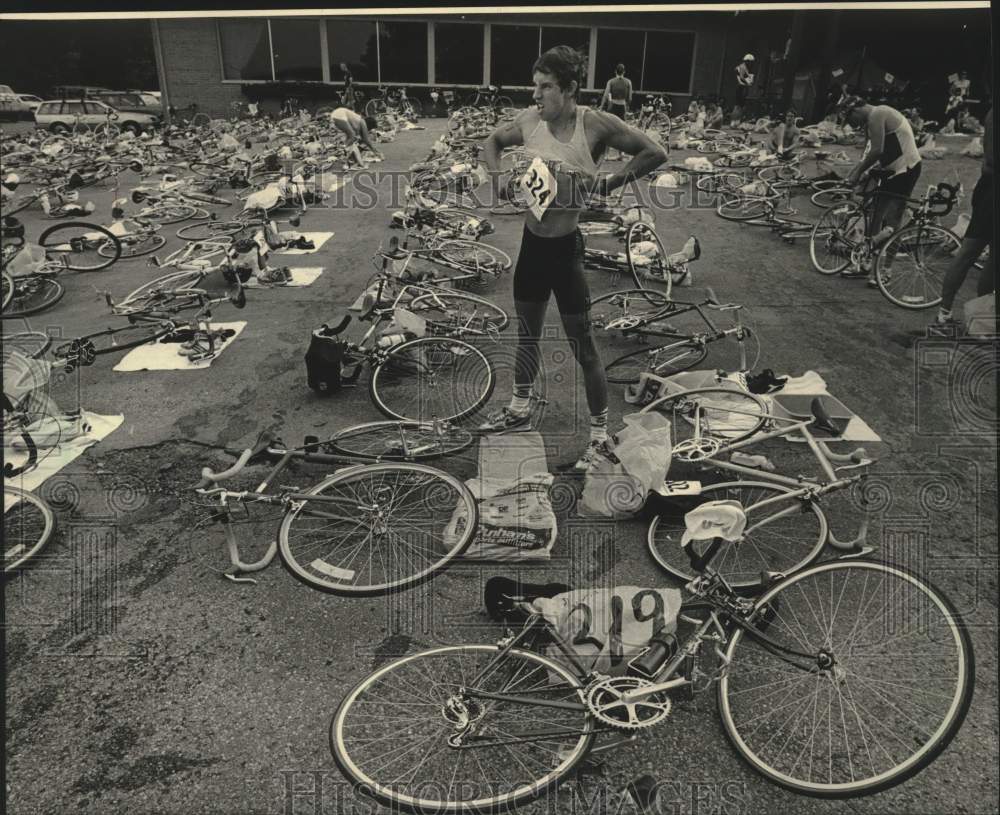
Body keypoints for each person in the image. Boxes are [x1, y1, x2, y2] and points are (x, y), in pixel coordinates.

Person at [481, 45, 668, 470]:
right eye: (535, 85)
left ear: (568, 90)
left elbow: (655, 151)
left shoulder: (595, 125)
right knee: (526, 335)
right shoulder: (529, 122)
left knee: (583, 348)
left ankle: (600, 435)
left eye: (545, 87)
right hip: (531, 247)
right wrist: (497, 182)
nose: (537, 95)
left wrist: (611, 184)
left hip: (566, 251)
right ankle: (519, 407)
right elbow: (491, 142)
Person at [840, 93, 922, 283]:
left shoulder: (878, 113)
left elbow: (878, 150)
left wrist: (858, 173)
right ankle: (867, 261)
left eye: (850, 118)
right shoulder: (870, 120)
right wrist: (858, 171)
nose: (851, 123)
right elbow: (868, 152)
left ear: (857, 109)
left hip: (906, 168)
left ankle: (886, 270)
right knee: (875, 215)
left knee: (893, 221)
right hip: (889, 169)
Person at [936, 106, 993, 325]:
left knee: (976, 254)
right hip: (991, 190)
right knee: (974, 253)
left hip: (988, 190)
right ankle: (977, 322)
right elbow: (990, 165)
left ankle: (949, 314)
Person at [600, 63, 633, 160]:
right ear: (624, 72)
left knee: (609, 129)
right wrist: (627, 107)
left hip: (612, 106)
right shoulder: (628, 82)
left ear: (615, 71)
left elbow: (606, 95)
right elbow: (630, 98)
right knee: (622, 130)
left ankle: (606, 154)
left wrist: (602, 107)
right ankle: (621, 153)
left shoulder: (611, 81)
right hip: (622, 105)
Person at [732, 54, 756, 122]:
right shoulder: (742, 67)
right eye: (751, 62)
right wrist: (748, 82)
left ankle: (737, 121)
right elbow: (742, 78)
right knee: (738, 105)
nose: (751, 64)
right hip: (741, 88)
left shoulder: (746, 68)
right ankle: (734, 121)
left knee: (741, 106)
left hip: (743, 88)